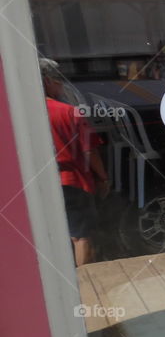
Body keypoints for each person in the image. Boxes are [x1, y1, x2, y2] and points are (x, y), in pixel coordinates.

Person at [39, 58, 109, 265]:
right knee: (81, 236)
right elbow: (90, 151)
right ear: (48, 81)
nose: (62, 86)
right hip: (72, 181)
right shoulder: (69, 112)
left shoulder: (22, 114)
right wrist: (103, 178)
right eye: (59, 81)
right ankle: (84, 280)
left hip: (41, 184)